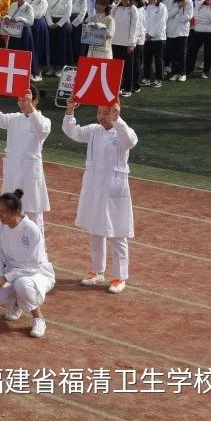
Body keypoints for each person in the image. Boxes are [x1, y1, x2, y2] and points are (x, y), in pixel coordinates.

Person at [62, 98, 138, 294]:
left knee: (117, 233)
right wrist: (70, 111)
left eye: (106, 113)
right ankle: (97, 271)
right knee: (96, 230)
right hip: (95, 189)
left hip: (114, 191)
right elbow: (73, 132)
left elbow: (130, 141)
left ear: (114, 112)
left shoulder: (122, 133)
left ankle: (120, 277)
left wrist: (118, 118)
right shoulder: (94, 131)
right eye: (99, 113)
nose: (102, 117)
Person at [0, 85, 52, 232]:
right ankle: (12, 249)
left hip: (30, 175)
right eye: (20, 100)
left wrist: (31, 110)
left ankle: (38, 252)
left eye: (26, 100)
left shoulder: (44, 121)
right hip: (13, 172)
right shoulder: (14, 119)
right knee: (11, 212)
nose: (22, 104)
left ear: (35, 101)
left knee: (33, 214)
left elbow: (42, 130)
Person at [0, 190, 55, 339]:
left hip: (37, 273)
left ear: (16, 211)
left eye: (4, 211)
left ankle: (38, 318)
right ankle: (18, 304)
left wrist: (6, 278)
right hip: (11, 273)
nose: (0, 215)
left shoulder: (31, 229)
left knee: (22, 284)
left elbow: (34, 265)